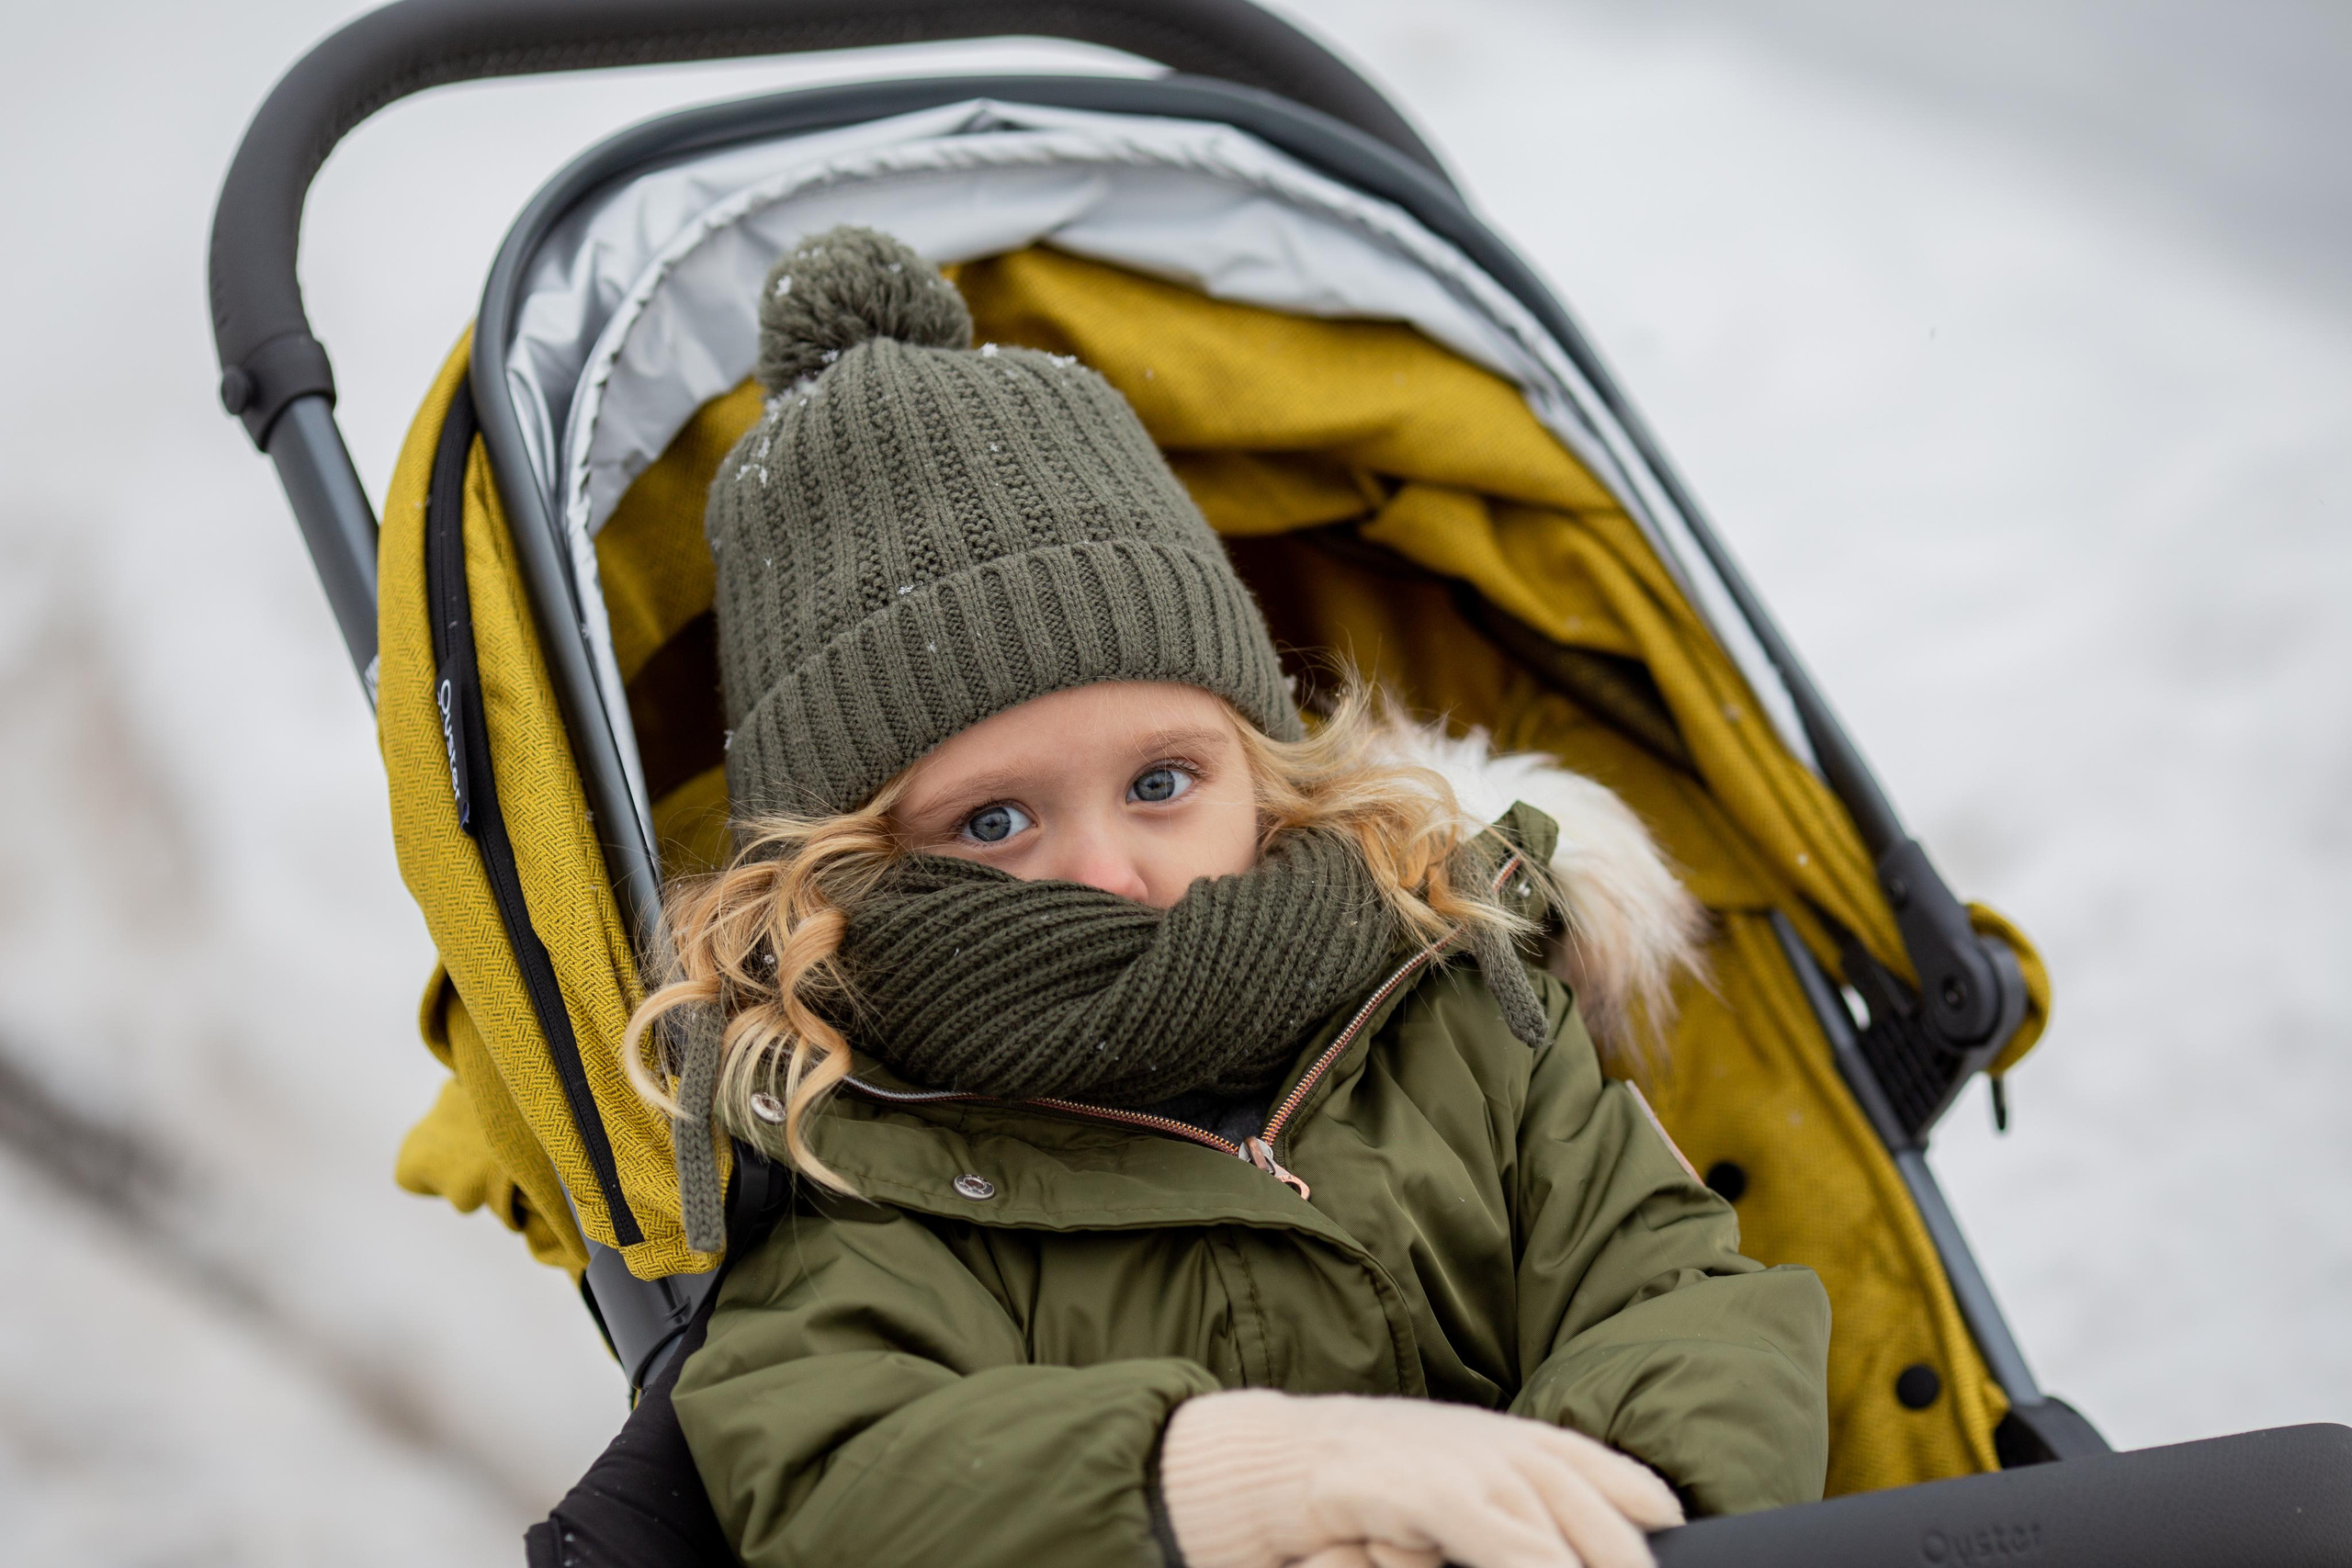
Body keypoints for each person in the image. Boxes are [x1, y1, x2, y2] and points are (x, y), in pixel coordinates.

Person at [624, 226, 1830, 1568]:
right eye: (996, 820)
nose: (1108, 873)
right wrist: (1263, 1478)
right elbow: (835, 1466)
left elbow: (1679, 1293)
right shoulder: (878, 1155)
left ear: (1259, 769)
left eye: (1160, 783)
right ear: (851, 867)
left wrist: (1591, 1503)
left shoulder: (1457, 1012)